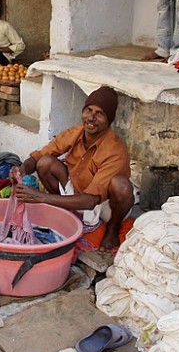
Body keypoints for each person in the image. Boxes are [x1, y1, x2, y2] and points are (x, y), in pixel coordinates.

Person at [11, 86, 134, 252]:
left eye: (100, 114)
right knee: (45, 162)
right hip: (77, 190)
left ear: (109, 119)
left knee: (122, 186)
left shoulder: (115, 150)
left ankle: (112, 228)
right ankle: (64, 210)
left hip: (105, 204)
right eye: (88, 110)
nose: (91, 118)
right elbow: (38, 157)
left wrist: (40, 197)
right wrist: (22, 170)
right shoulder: (76, 133)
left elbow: (91, 201)